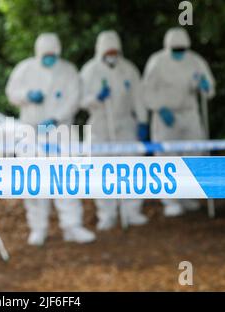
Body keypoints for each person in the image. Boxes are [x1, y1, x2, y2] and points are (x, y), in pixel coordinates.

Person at [6, 33, 96, 246]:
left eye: (53, 54)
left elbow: (74, 98)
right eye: (46, 54)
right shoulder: (25, 69)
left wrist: (56, 118)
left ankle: (72, 226)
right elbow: (11, 92)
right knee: (34, 181)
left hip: (62, 132)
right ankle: (38, 228)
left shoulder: (68, 71)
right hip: (31, 132)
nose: (50, 57)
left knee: (66, 180)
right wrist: (28, 95)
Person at [142, 27, 215, 217]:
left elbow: (209, 87)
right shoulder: (157, 61)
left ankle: (187, 195)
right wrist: (159, 107)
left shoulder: (195, 61)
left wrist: (205, 87)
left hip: (189, 113)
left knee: (194, 152)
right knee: (167, 155)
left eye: (182, 49)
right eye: (175, 49)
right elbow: (147, 90)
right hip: (165, 114)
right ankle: (170, 200)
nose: (179, 53)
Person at [80, 30, 149, 230]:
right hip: (100, 125)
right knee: (101, 170)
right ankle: (107, 214)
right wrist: (96, 98)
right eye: (107, 51)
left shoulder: (129, 70)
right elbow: (80, 100)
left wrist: (143, 121)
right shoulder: (89, 71)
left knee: (132, 167)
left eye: (114, 51)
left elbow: (138, 97)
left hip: (126, 124)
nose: (111, 55)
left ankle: (132, 211)